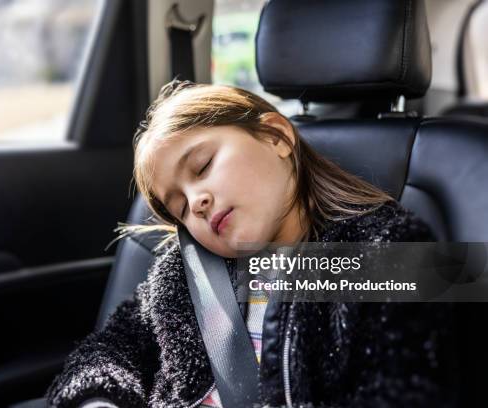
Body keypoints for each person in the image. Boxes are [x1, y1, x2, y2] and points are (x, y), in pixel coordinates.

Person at [44, 80, 457, 408]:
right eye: (179, 207)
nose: (197, 202)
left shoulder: (382, 251)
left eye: (203, 166)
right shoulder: (182, 277)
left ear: (276, 136)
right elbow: (112, 348)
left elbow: (402, 386)